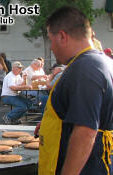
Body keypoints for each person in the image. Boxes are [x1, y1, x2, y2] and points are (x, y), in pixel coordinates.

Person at [35, 6, 113, 175]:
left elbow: (85, 131)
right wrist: (52, 124)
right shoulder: (97, 61)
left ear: (62, 36)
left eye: (50, 40)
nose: (51, 48)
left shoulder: (86, 68)